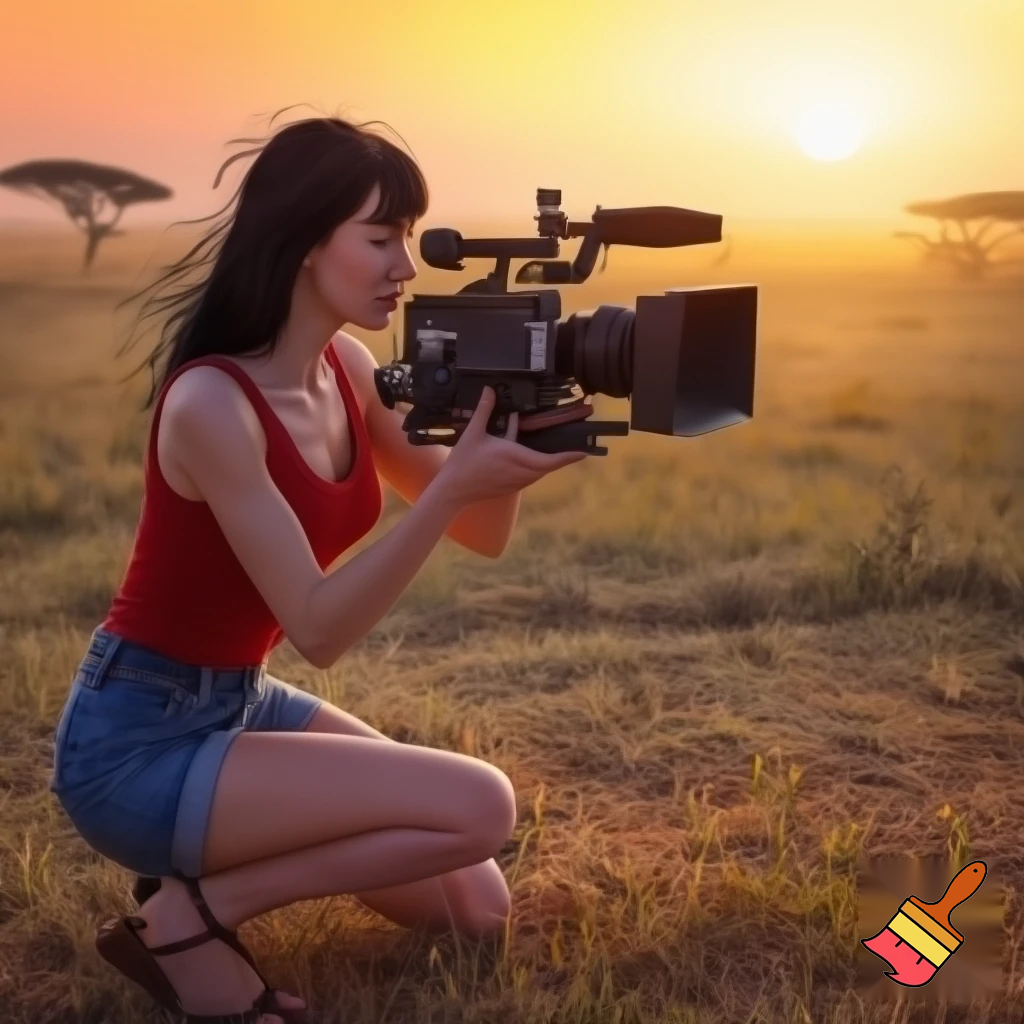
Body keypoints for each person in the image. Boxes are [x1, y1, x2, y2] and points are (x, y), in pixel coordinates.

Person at [48, 111, 587, 1024]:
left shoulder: (345, 365)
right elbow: (321, 628)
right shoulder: (212, 403)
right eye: (380, 239)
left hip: (238, 705)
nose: (405, 268)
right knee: (481, 805)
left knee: (476, 908)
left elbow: (483, 531)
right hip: (139, 741)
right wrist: (454, 487)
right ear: (304, 243)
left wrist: (519, 424)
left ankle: (203, 883)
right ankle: (193, 914)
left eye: (407, 239)